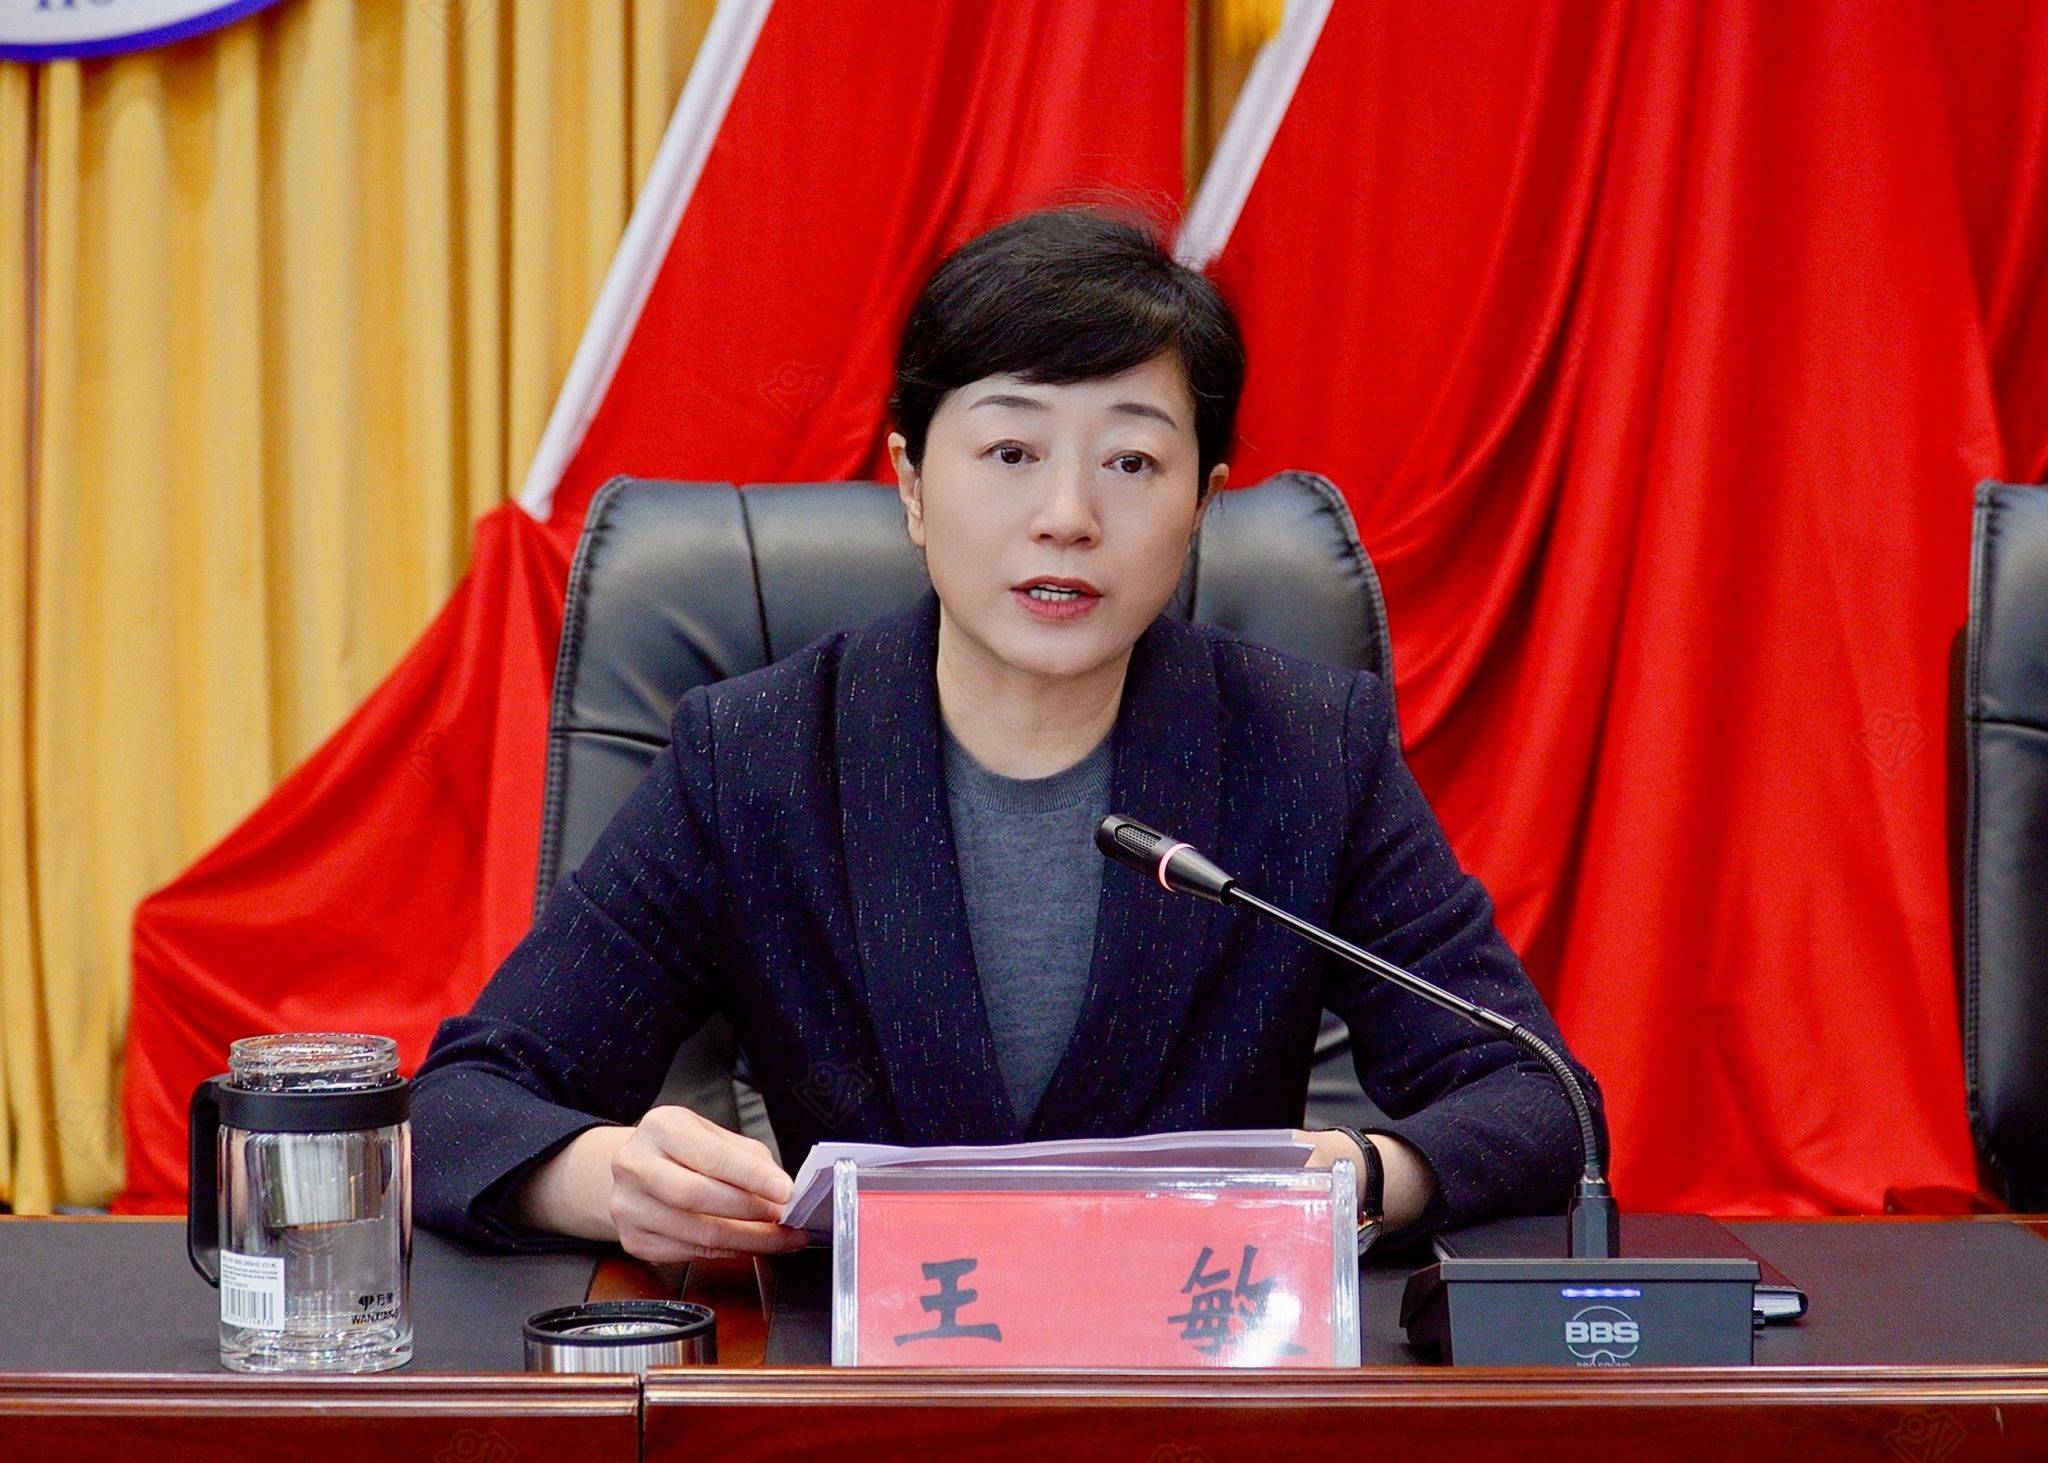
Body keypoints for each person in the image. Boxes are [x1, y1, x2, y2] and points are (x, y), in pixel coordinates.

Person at [411, 207, 1601, 1262]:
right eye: (1010, 453)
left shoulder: (1302, 749)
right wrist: (611, 1180)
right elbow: (463, 1102)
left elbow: (1537, 1098)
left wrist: (1361, 1176)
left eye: (1131, 461)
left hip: (1195, 1384)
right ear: (911, 484)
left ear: (1200, 503)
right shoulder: (757, 756)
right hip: (869, 1390)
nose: (1066, 516)